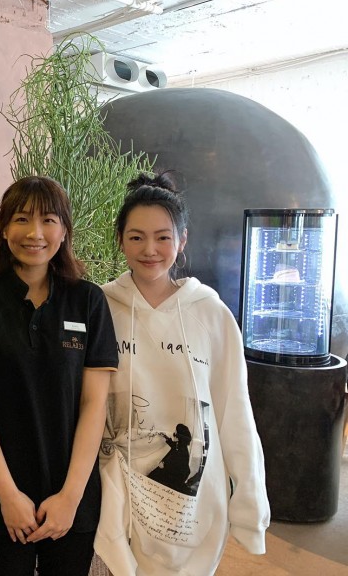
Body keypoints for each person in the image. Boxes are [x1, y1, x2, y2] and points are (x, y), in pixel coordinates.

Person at [94, 172, 270, 576]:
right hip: (120, 490)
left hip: (193, 498)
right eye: (136, 237)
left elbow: (234, 411)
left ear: (182, 240)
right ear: (120, 239)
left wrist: (249, 504)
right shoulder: (100, 307)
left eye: (163, 237)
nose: (150, 249)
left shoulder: (211, 314)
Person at [0, 176, 118, 576]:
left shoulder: (88, 300)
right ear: (4, 229)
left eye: (49, 220)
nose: (35, 233)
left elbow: (94, 403)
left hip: (72, 495)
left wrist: (70, 497)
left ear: (64, 230)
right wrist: (8, 496)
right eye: (22, 219)